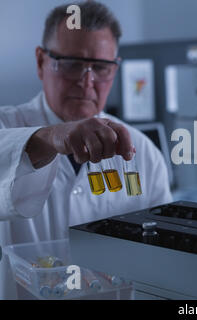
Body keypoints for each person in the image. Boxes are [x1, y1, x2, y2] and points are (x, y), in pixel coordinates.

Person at [0, 2, 172, 299]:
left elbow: (162, 262)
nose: (87, 81)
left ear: (115, 70)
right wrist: (50, 138)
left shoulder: (142, 152)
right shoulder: (7, 125)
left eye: (101, 68)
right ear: (41, 61)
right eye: (72, 64)